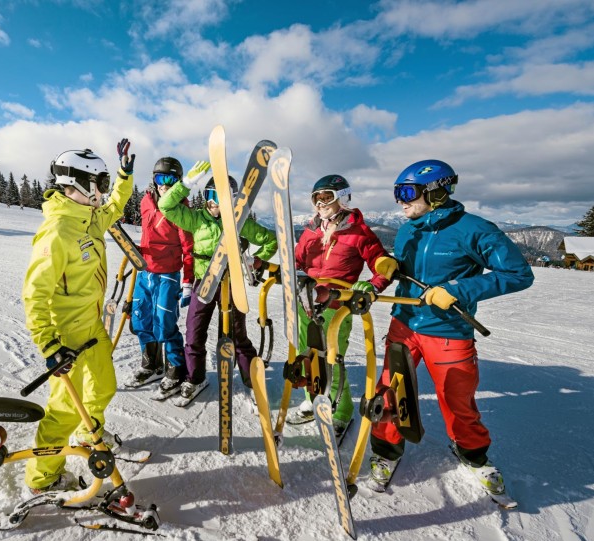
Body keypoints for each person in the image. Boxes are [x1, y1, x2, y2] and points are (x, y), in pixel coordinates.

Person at [368, 159, 534, 496]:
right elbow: (405, 270)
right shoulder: (407, 230)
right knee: (390, 392)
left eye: (407, 192)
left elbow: (519, 274)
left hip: (447, 332)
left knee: (457, 398)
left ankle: (472, 454)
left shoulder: (475, 229)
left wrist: (458, 290)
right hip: (404, 323)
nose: (400, 200)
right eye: (397, 193)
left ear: (437, 191)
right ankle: (386, 451)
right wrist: (387, 268)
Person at [22, 140, 135, 494]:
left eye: (103, 184)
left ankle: (88, 436)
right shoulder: (57, 232)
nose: (103, 192)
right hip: (67, 336)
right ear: (81, 184)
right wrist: (48, 344)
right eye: (99, 184)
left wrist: (124, 175)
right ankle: (43, 478)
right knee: (63, 411)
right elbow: (34, 294)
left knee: (103, 386)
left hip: (92, 327)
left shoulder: (88, 220)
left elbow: (116, 204)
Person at [158, 161, 278, 405]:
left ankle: (251, 382)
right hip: (206, 280)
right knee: (194, 331)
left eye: (219, 196)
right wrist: (186, 184)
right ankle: (195, 377)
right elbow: (166, 206)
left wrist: (257, 261)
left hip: (231, 282)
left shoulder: (240, 221)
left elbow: (270, 240)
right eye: (209, 195)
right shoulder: (196, 220)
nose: (213, 202)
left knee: (237, 335)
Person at [289, 175, 397, 438]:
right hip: (306, 300)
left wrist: (373, 285)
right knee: (307, 353)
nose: (321, 203)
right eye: (316, 198)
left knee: (332, 360)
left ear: (342, 197)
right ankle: (312, 397)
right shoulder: (311, 230)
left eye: (327, 196)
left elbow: (381, 262)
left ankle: (341, 410)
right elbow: (298, 260)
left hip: (337, 304)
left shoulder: (358, 232)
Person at [126, 157, 194, 388]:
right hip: (144, 271)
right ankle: (151, 364)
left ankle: (175, 369)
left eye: (170, 179)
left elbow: (188, 248)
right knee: (140, 318)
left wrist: (187, 280)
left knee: (164, 322)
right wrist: (138, 250)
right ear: (153, 180)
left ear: (178, 182)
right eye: (159, 178)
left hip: (167, 274)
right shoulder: (146, 202)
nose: (164, 184)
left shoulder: (181, 208)